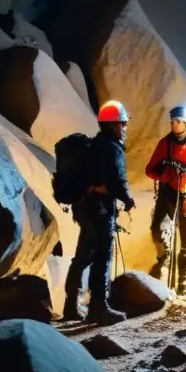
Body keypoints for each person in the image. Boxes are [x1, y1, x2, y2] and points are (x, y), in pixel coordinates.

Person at [62, 100, 136, 325]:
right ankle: (98, 307)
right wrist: (128, 199)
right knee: (102, 255)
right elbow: (117, 181)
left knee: (83, 254)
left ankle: (70, 306)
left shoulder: (93, 145)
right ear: (114, 125)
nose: (124, 128)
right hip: (100, 209)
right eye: (122, 124)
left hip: (84, 208)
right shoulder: (112, 147)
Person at [145, 105, 186, 295]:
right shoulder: (165, 144)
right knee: (159, 230)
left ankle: (184, 282)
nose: (175, 126)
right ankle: (164, 268)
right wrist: (164, 174)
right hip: (168, 192)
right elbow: (150, 168)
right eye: (173, 122)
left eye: (179, 122)